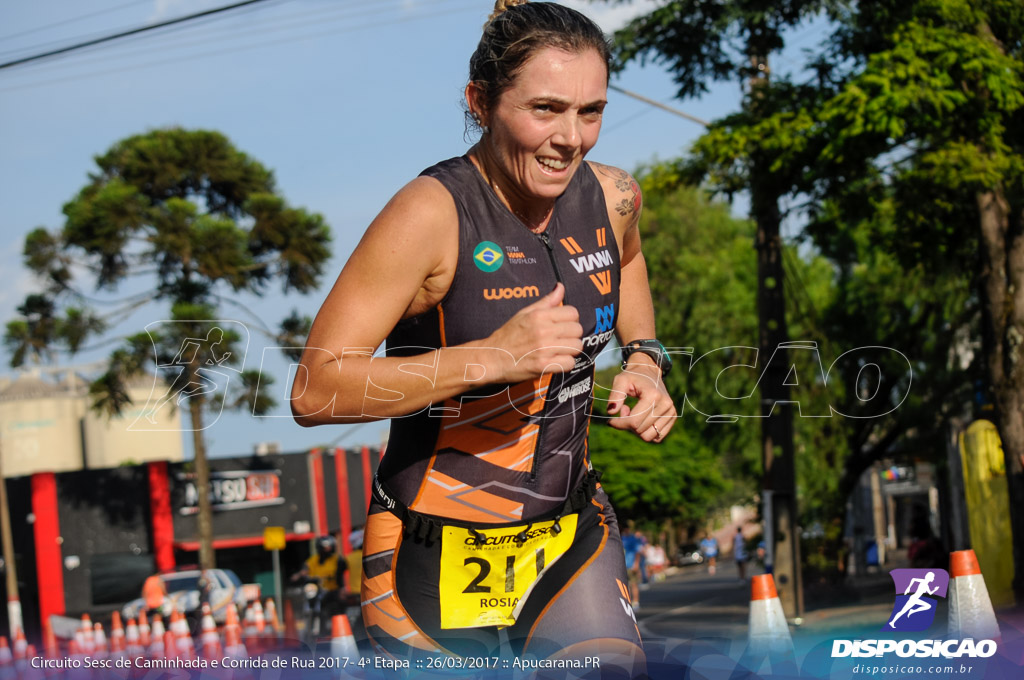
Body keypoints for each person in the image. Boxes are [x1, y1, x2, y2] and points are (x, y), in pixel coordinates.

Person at [291, 0, 676, 666]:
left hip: (567, 531)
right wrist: (489, 357)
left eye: (591, 111)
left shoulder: (614, 197)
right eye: (545, 110)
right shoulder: (430, 214)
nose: (572, 138)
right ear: (480, 102)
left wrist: (643, 359)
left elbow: (629, 258)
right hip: (428, 550)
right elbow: (315, 390)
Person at [292, 535, 346, 629]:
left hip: (332, 589)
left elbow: (341, 574)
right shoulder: (314, 560)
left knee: (338, 603)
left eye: (329, 547)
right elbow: (305, 569)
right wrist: (298, 575)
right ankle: (311, 623)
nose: (327, 549)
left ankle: (336, 622)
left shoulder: (337, 559)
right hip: (316, 589)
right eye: (325, 547)